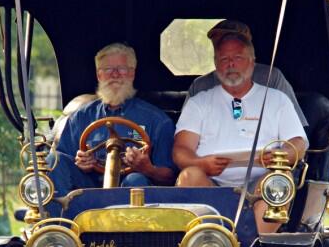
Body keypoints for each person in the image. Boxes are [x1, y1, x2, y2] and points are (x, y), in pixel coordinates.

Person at [173, 30, 308, 234]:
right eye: (224, 59)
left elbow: (298, 143)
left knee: (280, 178)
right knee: (188, 176)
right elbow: (181, 150)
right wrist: (201, 164)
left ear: (252, 62)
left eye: (237, 58)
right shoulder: (199, 102)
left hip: (262, 181)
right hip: (212, 182)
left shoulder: (276, 99)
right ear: (216, 64)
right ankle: (207, 244)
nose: (231, 64)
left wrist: (279, 158)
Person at [50, 43, 176, 196]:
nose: (115, 75)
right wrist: (80, 162)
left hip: (133, 196)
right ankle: (58, 219)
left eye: (121, 69)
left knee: (136, 180)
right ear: (99, 75)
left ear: (132, 74)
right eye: (108, 69)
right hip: (88, 191)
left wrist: (147, 168)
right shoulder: (81, 117)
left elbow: (170, 177)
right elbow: (61, 161)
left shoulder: (157, 121)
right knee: (54, 160)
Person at [187, 20, 308, 129]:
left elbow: (296, 131)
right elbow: (184, 135)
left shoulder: (271, 77)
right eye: (220, 44)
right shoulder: (200, 85)